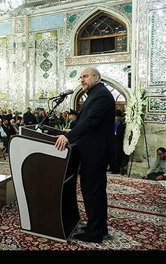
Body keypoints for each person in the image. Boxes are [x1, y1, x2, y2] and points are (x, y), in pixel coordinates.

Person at [55, 66, 115, 243]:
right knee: (95, 191)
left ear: (96, 78)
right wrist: (70, 129)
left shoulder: (102, 95)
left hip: (95, 152)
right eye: (81, 77)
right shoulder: (95, 94)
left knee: (92, 191)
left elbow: (91, 121)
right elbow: (84, 121)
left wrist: (68, 137)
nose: (82, 80)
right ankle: (98, 226)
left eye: (86, 76)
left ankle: (95, 233)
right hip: (92, 150)